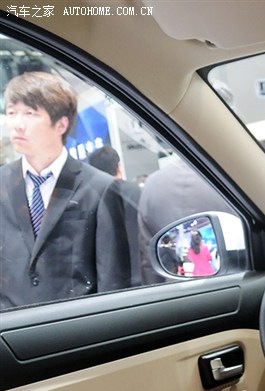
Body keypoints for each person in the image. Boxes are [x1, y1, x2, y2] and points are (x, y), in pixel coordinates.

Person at [0, 71, 130, 309]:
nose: (17, 124)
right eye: (11, 112)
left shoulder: (100, 187)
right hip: (12, 325)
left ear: (61, 124)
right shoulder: (1, 184)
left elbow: (113, 278)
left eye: (30, 113)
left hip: (74, 323)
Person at [137, 157, 233, 283]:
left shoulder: (153, 184)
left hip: (174, 289)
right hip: (229, 285)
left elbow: (149, 261)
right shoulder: (228, 179)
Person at [88, 145, 142, 285]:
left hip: (108, 281)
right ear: (119, 166)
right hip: (141, 274)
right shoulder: (137, 192)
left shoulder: (90, 199)